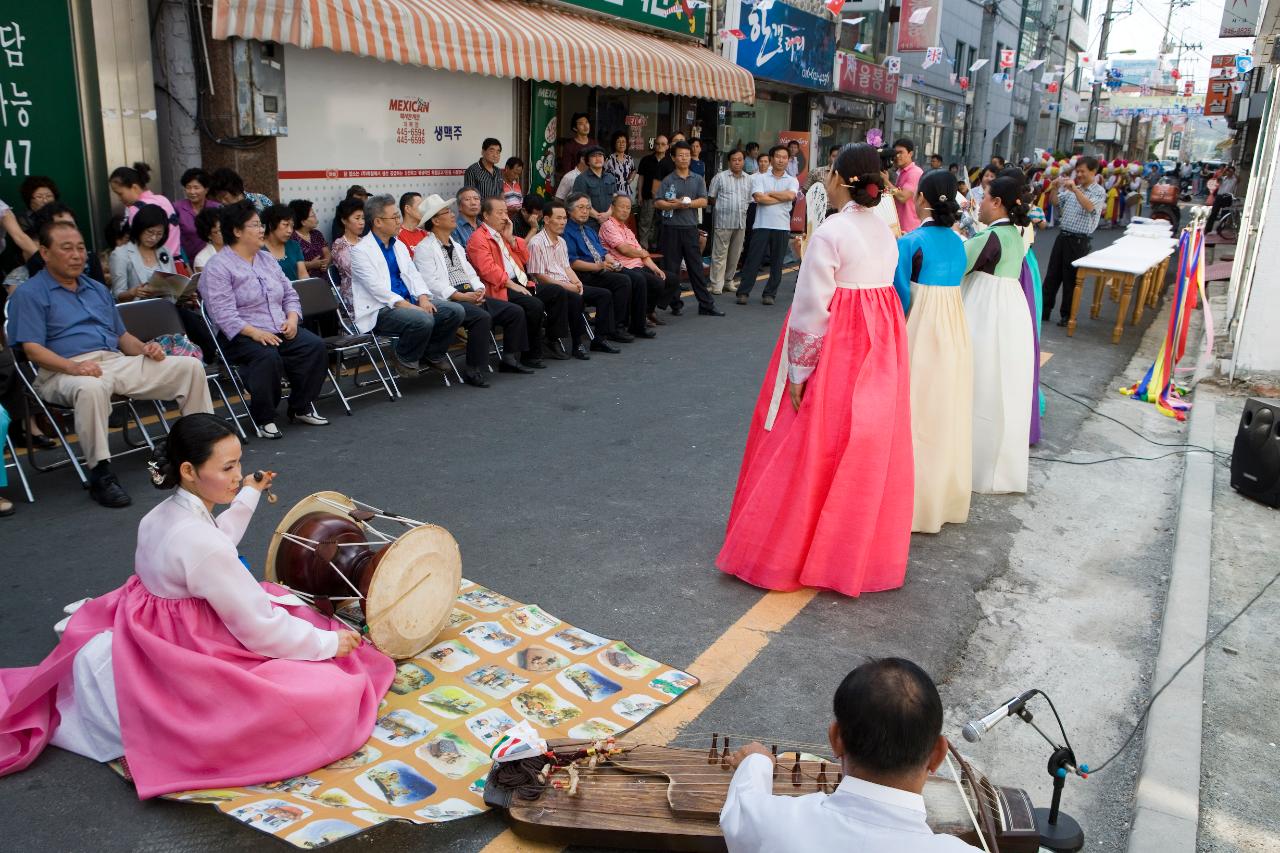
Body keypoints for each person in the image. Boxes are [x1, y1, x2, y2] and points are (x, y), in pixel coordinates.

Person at [0, 413, 393, 796]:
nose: (238, 475)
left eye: (239, 463)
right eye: (227, 467)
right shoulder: (201, 545)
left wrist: (250, 493)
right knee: (327, 688)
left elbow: (214, 543)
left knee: (285, 610)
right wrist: (325, 646)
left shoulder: (162, 515)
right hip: (188, 643)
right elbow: (258, 628)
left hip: (150, 629)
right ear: (188, 470)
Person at [718, 143, 911, 596]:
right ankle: (846, 551)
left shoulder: (829, 233)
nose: (823, 177)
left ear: (841, 180)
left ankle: (785, 548)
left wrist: (799, 372)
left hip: (837, 342)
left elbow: (810, 309)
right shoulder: (885, 230)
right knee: (857, 445)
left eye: (828, 171)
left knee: (804, 440)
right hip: (878, 344)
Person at [6, 221, 213, 507]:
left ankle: (201, 448)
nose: (77, 255)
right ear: (44, 252)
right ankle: (100, 474)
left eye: (81, 248)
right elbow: (32, 350)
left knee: (186, 366)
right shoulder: (30, 293)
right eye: (67, 248)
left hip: (114, 361)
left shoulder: (95, 288)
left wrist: (145, 348)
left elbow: (122, 336)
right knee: (90, 387)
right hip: (61, 371)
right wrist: (74, 368)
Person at [720, 658, 981, 852]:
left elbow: (743, 806)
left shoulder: (775, 823)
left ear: (836, 739)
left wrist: (756, 761)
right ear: (938, 755)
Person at [199, 202, 329, 438]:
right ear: (237, 231)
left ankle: (300, 406)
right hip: (241, 335)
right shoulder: (217, 267)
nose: (262, 230)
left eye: (261, 225)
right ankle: (264, 417)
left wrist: (291, 319)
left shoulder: (266, 259)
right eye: (255, 225)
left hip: (279, 326)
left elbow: (289, 293)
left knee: (314, 347)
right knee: (266, 356)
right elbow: (223, 314)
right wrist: (255, 333)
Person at [894, 171, 972, 533]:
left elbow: (900, 298)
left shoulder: (911, 242)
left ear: (921, 198)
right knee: (944, 412)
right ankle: (941, 500)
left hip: (919, 331)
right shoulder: (958, 242)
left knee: (913, 413)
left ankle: (906, 502)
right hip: (953, 332)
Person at [962, 176, 1035, 495]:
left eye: (985, 195)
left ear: (997, 203)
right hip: (1011, 313)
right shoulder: (1015, 234)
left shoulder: (990, 237)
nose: (978, 200)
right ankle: (1001, 467)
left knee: (979, 382)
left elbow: (959, 265)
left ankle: (973, 465)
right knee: (1004, 384)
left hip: (985, 310)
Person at [414, 193, 536, 376]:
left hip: (470, 294)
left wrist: (479, 289)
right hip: (451, 300)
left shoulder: (455, 244)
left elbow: (470, 273)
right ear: (436, 221)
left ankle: (510, 359)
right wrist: (461, 296)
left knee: (514, 311)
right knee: (482, 317)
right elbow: (431, 283)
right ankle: (473, 369)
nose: (453, 214)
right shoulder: (424, 248)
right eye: (447, 212)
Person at [347, 194, 464, 381]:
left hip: (410, 302)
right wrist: (413, 307)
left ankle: (432, 353)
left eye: (398, 216)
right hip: (381, 310)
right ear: (377, 222)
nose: (398, 221)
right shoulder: (360, 251)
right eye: (394, 217)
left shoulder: (398, 244)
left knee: (454, 311)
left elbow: (414, 275)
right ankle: (404, 357)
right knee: (422, 319)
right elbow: (378, 290)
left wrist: (424, 298)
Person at [467, 197, 565, 364]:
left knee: (556, 292)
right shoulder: (478, 238)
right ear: (486, 215)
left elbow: (525, 257)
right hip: (500, 287)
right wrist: (513, 285)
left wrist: (511, 238)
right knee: (534, 305)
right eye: (500, 213)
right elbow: (488, 269)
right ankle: (528, 354)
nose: (505, 217)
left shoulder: (503, 233)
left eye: (506, 212)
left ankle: (551, 339)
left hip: (520, 281)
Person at [527, 200, 621, 358]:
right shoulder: (536, 243)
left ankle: (599, 339)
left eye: (564, 218)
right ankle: (577, 344)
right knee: (575, 297)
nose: (563, 222)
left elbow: (566, 267)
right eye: (558, 218)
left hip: (566, 284)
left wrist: (576, 281)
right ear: (547, 220)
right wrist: (569, 286)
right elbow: (539, 276)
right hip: (549, 289)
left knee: (604, 295)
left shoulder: (562, 241)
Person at [656, 141, 723, 317]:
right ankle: (675, 303)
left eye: (687, 155)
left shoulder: (698, 179)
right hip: (670, 229)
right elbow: (658, 202)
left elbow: (704, 201)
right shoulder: (668, 179)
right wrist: (673, 206)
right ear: (673, 158)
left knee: (696, 268)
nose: (684, 158)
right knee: (671, 268)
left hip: (690, 228)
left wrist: (685, 203)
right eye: (680, 155)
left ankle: (706, 304)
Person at [564, 193, 639, 342]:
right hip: (581, 274)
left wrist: (613, 263)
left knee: (629, 277)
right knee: (622, 282)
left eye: (587, 208)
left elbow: (603, 253)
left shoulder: (589, 230)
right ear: (569, 211)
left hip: (599, 269)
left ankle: (621, 325)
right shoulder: (566, 232)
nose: (585, 211)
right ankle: (615, 328)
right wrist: (597, 266)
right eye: (580, 208)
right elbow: (572, 263)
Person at [1040, 156, 1105, 327]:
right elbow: (1055, 203)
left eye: (1083, 171)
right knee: (1052, 275)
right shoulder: (1070, 188)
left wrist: (1076, 190)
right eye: (1078, 171)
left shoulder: (1098, 191)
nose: (1080, 174)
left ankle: (1066, 315)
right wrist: (1054, 188)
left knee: (1071, 279)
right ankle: (1044, 310)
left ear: (1093, 172)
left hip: (1078, 241)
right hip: (1063, 236)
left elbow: (1090, 207)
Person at [735, 145, 799, 307]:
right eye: (778, 156)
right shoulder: (760, 178)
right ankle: (743, 292)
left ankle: (770, 294)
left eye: (784, 157)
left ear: (788, 160)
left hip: (782, 226)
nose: (781, 160)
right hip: (761, 225)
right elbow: (759, 199)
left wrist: (769, 193)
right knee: (753, 260)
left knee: (777, 263)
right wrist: (780, 197)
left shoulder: (792, 180)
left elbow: (791, 196)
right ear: (771, 158)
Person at [599, 194, 673, 327]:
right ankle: (639, 316)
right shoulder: (608, 226)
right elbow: (625, 250)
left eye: (628, 208)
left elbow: (643, 254)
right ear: (612, 207)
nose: (625, 210)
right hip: (625, 267)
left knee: (670, 279)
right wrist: (641, 253)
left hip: (638, 265)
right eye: (622, 207)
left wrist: (655, 268)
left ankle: (648, 311)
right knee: (655, 283)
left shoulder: (626, 229)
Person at [109, 163, 181, 260]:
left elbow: (137, 244)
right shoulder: (163, 199)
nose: (119, 198)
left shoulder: (136, 209)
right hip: (177, 263)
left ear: (134, 188)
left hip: (155, 267)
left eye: (120, 194)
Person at [108, 203, 177, 300]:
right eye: (150, 232)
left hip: (166, 307)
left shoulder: (164, 251)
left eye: (159, 234)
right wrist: (133, 293)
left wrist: (184, 295)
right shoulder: (121, 254)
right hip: (137, 310)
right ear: (139, 228)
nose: (153, 238)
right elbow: (117, 295)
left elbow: (174, 284)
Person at [708, 150, 752, 295]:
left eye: (740, 159)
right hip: (724, 221)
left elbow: (750, 199)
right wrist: (724, 207)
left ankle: (728, 281)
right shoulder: (720, 177)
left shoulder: (748, 179)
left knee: (735, 254)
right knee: (719, 254)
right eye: (734, 160)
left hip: (741, 222)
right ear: (729, 162)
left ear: (744, 161)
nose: (737, 162)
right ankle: (716, 284)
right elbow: (712, 198)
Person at [328, 197, 367, 309]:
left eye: (363, 218)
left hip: (371, 290)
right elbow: (354, 271)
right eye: (357, 218)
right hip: (354, 296)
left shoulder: (364, 241)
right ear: (344, 220)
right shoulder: (340, 245)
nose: (361, 222)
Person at [175, 169, 221, 264]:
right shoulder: (177, 208)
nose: (192, 192)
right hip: (186, 262)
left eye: (196, 187)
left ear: (206, 189)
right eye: (188, 187)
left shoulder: (217, 208)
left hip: (213, 259)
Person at [636, 134, 671, 249]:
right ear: (654, 145)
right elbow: (641, 178)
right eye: (657, 143)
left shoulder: (671, 162)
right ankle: (643, 248)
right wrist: (640, 195)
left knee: (658, 224)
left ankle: (654, 248)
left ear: (668, 146)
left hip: (664, 199)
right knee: (645, 223)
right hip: (647, 197)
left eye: (663, 144)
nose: (660, 146)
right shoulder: (646, 160)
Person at [572, 146, 619, 227]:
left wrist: (608, 214)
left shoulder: (611, 177)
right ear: (588, 161)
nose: (598, 158)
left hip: (610, 222)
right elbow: (579, 203)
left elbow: (615, 199)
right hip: (589, 224)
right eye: (593, 156)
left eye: (600, 156)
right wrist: (598, 217)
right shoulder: (581, 179)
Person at [886, 138, 923, 233]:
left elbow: (903, 197)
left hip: (910, 229)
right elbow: (895, 193)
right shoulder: (901, 172)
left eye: (901, 152)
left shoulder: (915, 172)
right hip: (902, 228)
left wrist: (886, 181)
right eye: (895, 153)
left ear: (910, 154)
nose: (897, 156)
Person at [262, 205, 307, 281]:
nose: (290, 230)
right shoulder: (259, 248)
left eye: (292, 226)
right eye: (285, 225)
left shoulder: (294, 246)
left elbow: (303, 274)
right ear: (271, 225)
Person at [288, 199, 330, 276]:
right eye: (313, 215)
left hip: (323, 280)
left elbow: (326, 252)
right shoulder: (291, 238)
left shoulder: (317, 234)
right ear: (303, 222)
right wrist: (311, 264)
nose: (316, 218)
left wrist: (326, 262)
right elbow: (291, 264)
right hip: (305, 282)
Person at [207, 167, 273, 212]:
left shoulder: (261, 200)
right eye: (218, 198)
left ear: (235, 189)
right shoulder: (220, 211)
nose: (222, 201)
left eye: (224, 196)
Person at [559, 112, 596, 177]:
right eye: (581, 124)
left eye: (587, 122)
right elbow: (567, 171)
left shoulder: (594, 143)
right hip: (576, 182)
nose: (585, 126)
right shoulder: (569, 146)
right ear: (575, 128)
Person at [1205, 165, 1237, 231]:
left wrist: (1233, 173)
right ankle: (1208, 229)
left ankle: (1220, 229)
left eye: (1231, 172)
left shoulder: (1234, 179)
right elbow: (1218, 179)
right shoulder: (1223, 178)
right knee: (1213, 213)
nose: (1229, 173)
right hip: (1219, 197)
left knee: (1224, 214)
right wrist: (1224, 171)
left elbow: (1239, 179)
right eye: (1228, 171)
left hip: (1228, 197)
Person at [395, 191, 428, 255]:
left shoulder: (424, 234)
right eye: (420, 205)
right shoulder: (397, 236)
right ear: (407, 208)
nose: (423, 209)